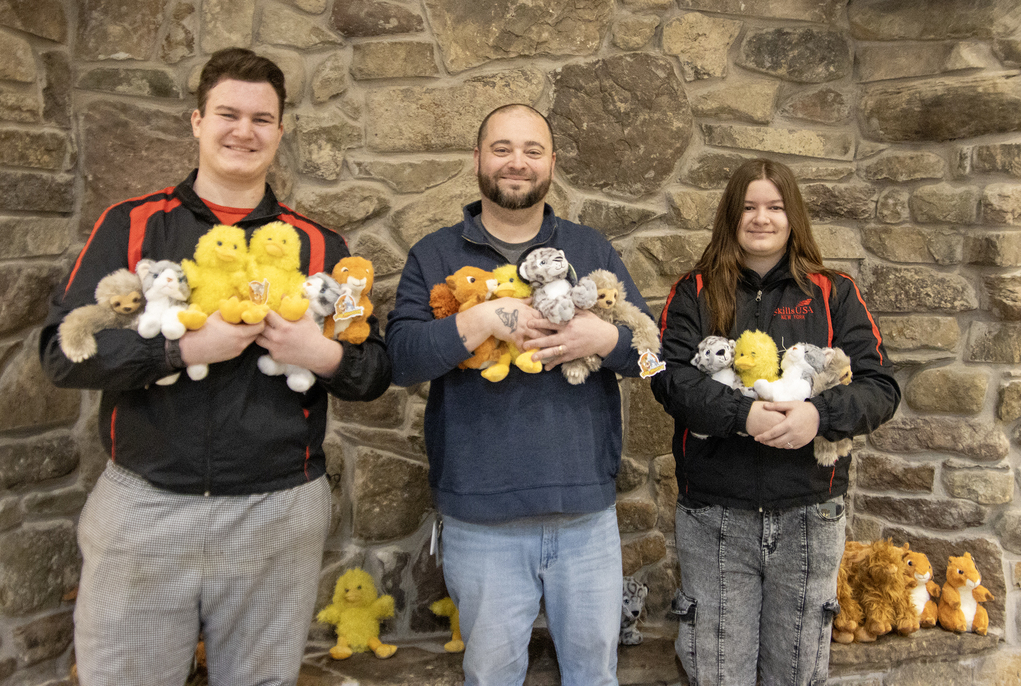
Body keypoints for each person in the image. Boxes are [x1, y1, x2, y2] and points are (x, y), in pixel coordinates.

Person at [39, 48, 391, 686]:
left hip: (279, 509)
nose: (244, 131)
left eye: (262, 119)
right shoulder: (132, 225)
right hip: (144, 504)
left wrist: (319, 353)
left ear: (280, 133)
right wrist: (182, 350)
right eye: (228, 113)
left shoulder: (323, 246)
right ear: (197, 122)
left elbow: (372, 371)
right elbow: (62, 353)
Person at [385, 104, 653, 686]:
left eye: (532, 150)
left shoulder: (593, 249)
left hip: (586, 520)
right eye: (502, 148)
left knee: (594, 678)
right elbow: (400, 359)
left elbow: (655, 362)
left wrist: (603, 337)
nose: (517, 162)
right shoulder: (435, 254)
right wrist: (479, 321)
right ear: (478, 158)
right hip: (481, 524)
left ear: (552, 163)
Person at [650, 158, 900, 685]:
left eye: (775, 207)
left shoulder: (836, 293)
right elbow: (667, 378)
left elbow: (881, 387)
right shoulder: (693, 291)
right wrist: (743, 415)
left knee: (798, 674)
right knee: (717, 674)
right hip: (714, 518)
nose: (761, 219)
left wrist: (819, 415)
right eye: (748, 207)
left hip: (811, 516)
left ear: (793, 217)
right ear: (729, 216)